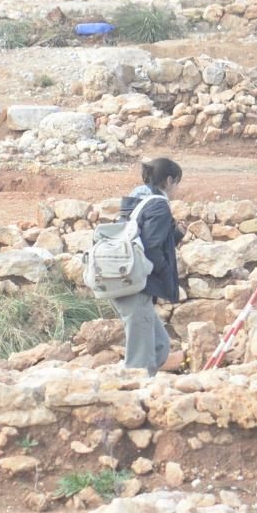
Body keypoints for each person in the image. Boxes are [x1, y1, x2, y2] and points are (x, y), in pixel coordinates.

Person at [111, 157, 185, 375]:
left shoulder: (135, 200)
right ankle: (138, 396)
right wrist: (164, 273)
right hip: (137, 284)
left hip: (122, 277)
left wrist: (175, 235)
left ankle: (148, 392)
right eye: (177, 183)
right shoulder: (159, 206)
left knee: (160, 345)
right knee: (141, 354)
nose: (177, 189)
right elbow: (151, 249)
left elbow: (141, 237)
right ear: (169, 180)